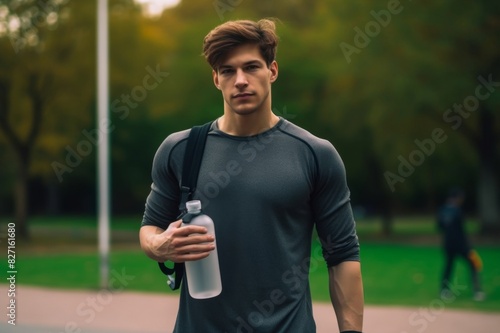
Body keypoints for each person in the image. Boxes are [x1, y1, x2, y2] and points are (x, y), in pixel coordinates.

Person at [139, 18, 364, 333]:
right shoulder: (180, 150)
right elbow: (150, 228)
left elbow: (343, 257)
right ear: (216, 78)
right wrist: (157, 245)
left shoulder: (315, 154)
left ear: (272, 70)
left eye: (252, 67)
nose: (240, 80)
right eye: (228, 71)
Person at [437, 187, 484, 301]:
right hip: (461, 245)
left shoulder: (442, 210)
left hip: (448, 244)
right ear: (457, 198)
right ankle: (477, 291)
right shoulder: (457, 210)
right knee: (473, 264)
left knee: (448, 266)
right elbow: (461, 230)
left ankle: (444, 291)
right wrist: (469, 246)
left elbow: (440, 227)